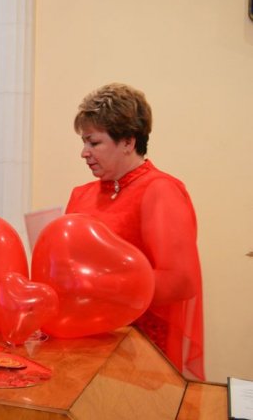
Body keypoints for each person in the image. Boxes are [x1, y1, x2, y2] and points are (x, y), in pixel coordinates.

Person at [65, 83, 204, 380]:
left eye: (94, 143)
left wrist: (99, 283)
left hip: (138, 349)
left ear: (128, 142)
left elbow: (179, 282)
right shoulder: (80, 195)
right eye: (84, 142)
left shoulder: (160, 190)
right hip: (84, 338)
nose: (83, 153)